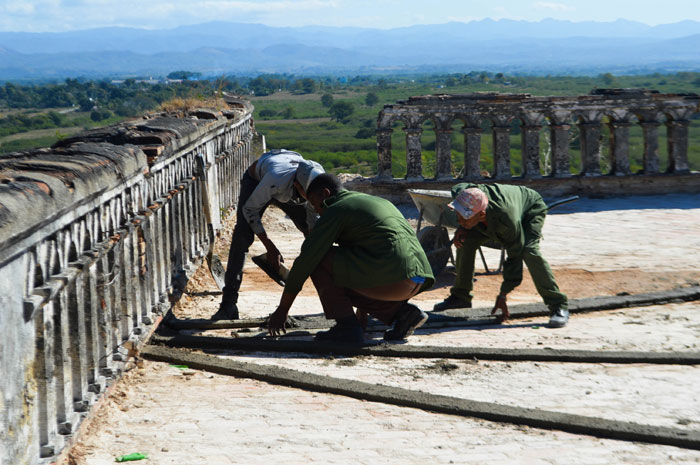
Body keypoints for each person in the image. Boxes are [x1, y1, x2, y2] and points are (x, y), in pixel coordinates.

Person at [267, 174, 434, 343]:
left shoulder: (337, 209)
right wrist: (362, 316)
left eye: (315, 204)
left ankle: (346, 327)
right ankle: (402, 313)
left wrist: (282, 310)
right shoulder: (375, 202)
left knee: (319, 259)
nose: (317, 211)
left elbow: (305, 260)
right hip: (417, 279)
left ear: (325, 194)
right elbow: (365, 257)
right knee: (342, 268)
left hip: (394, 278)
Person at [433, 183, 569, 328]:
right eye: (459, 214)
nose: (460, 219)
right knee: (465, 242)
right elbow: (461, 187)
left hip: (530, 207)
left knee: (529, 251)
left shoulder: (506, 220)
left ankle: (558, 305)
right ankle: (460, 297)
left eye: (465, 217)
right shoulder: (464, 194)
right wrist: (463, 226)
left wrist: (503, 294)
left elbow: (514, 257)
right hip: (500, 209)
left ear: (481, 215)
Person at [214, 149, 324, 320]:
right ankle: (228, 305)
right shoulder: (275, 180)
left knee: (317, 239)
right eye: (307, 195)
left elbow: (313, 224)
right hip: (257, 180)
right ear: (298, 186)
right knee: (242, 236)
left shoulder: (314, 182)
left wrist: (312, 250)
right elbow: (250, 210)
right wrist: (270, 246)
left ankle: (331, 302)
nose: (310, 199)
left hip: (286, 166)